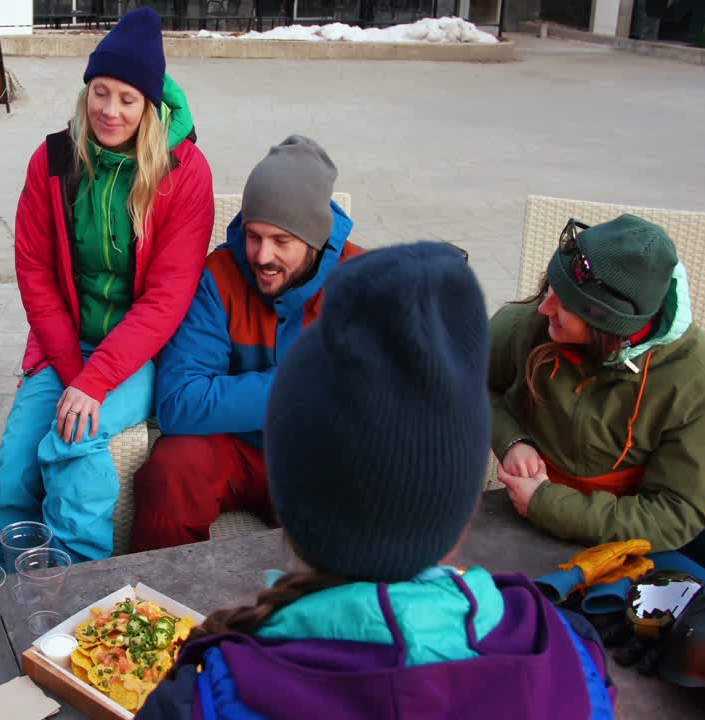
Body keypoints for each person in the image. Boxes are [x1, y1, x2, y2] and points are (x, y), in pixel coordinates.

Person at [136, 243, 615, 719]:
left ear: (290, 505)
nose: (263, 253)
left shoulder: (209, 693)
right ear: (465, 504)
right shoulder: (570, 658)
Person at [0, 8, 215, 563]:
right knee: (11, 477)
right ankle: (1, 595)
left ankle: (75, 590)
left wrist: (97, 380)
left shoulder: (185, 171)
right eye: (99, 92)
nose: (110, 110)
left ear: (150, 106)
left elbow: (169, 296)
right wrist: (72, 373)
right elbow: (35, 274)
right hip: (65, 347)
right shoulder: (55, 159)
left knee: (72, 441)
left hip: (142, 350)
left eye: (127, 99)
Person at [489, 214, 705, 586]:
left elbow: (677, 513)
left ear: (610, 330)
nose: (544, 307)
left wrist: (549, 506)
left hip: (665, 507)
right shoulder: (523, 327)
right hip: (564, 507)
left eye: (566, 305)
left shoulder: (696, 379)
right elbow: (467, 386)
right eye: (551, 288)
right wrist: (513, 440)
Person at [130, 135, 362, 552]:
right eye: (254, 235)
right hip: (232, 446)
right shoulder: (218, 275)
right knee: (170, 471)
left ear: (315, 239)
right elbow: (178, 404)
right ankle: (158, 603)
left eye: (282, 241)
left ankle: (321, 608)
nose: (261, 255)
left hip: (317, 456)